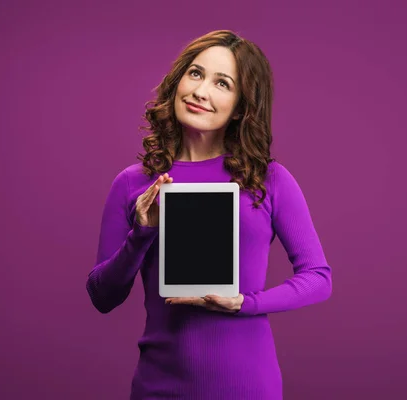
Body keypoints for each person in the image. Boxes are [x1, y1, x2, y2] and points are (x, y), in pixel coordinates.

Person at [86, 30, 332, 400]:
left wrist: (245, 302)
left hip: (246, 384)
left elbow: (318, 277)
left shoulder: (269, 179)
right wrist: (142, 232)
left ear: (241, 105)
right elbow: (103, 296)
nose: (201, 91)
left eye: (223, 83)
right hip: (158, 385)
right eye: (196, 74)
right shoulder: (132, 183)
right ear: (178, 81)